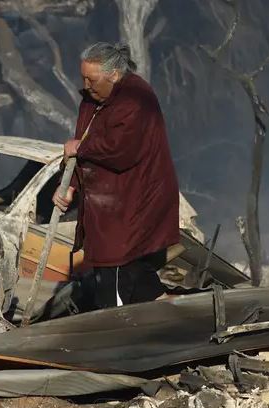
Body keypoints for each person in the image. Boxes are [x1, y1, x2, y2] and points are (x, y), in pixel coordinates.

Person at [53, 42, 180, 310]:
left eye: (92, 79)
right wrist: (71, 186)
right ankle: (166, 315)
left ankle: (115, 336)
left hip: (133, 204)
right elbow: (82, 146)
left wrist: (79, 147)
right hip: (107, 208)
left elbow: (121, 150)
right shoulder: (94, 99)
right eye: (83, 78)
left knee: (116, 268)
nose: (86, 85)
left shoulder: (136, 99)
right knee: (133, 273)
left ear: (114, 74)